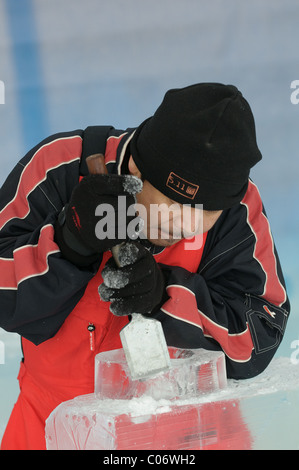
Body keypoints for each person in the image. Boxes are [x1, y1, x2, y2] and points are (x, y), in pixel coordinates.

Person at [0, 83, 290, 450]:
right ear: (137, 168)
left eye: (205, 212)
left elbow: (260, 336)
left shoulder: (238, 208)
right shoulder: (60, 167)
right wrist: (70, 243)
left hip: (192, 436)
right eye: (171, 204)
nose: (185, 225)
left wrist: (167, 297)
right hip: (51, 428)